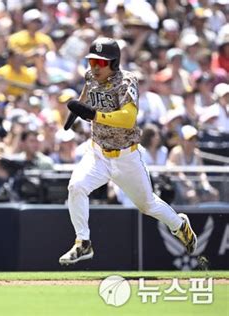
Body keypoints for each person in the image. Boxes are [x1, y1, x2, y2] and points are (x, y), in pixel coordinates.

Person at [58, 38, 197, 266]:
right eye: (92, 60)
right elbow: (85, 93)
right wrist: (75, 111)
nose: (94, 66)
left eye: (100, 62)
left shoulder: (126, 81)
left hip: (126, 156)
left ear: (113, 63)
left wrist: (93, 115)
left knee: (147, 205)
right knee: (76, 187)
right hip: (98, 154)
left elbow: (128, 118)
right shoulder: (91, 75)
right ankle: (83, 242)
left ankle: (179, 225)